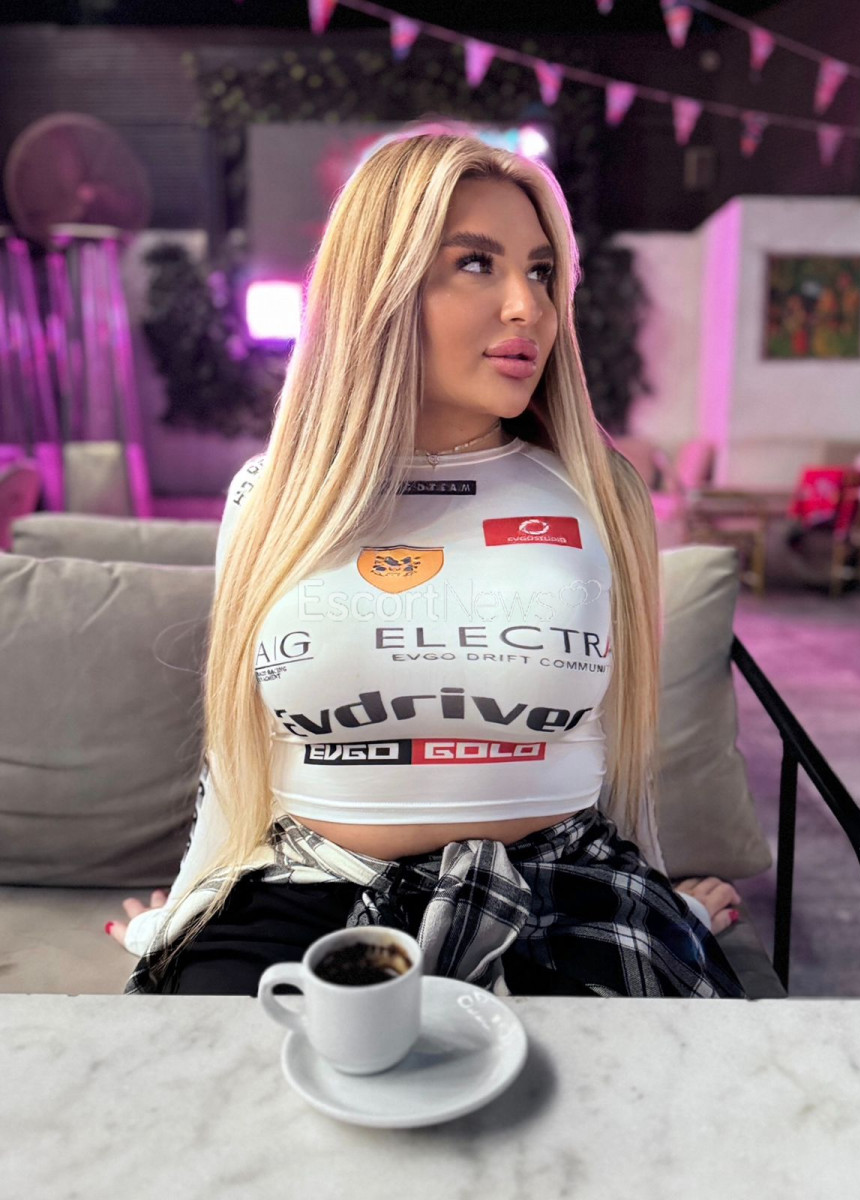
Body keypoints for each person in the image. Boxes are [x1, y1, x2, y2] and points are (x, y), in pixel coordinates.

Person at [107, 122, 745, 998]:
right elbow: (237, 752)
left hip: (559, 892)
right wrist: (186, 905)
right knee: (203, 1068)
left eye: (541, 272)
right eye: (477, 263)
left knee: (647, 1075)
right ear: (379, 286)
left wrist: (662, 906)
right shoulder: (270, 496)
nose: (528, 307)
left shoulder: (601, 493)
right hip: (309, 886)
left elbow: (617, 749)